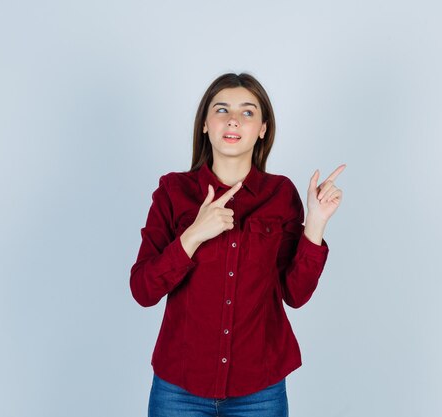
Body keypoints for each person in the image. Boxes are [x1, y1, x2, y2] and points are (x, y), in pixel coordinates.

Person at [129, 73, 345, 417]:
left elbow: (295, 294)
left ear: (262, 128)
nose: (233, 119)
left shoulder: (281, 195)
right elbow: (143, 290)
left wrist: (315, 224)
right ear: (204, 124)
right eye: (222, 109)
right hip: (179, 390)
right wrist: (193, 234)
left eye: (247, 112)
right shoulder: (172, 192)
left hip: (259, 391)